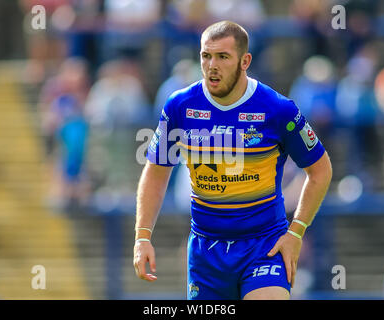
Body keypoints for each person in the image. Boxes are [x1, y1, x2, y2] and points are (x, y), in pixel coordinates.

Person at [133, 21, 332, 300]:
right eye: (206, 56)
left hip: (264, 246)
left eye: (223, 57)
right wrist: (142, 236)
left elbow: (321, 170)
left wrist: (296, 233)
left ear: (244, 61)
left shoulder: (278, 110)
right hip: (206, 252)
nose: (212, 65)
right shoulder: (180, 106)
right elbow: (155, 172)